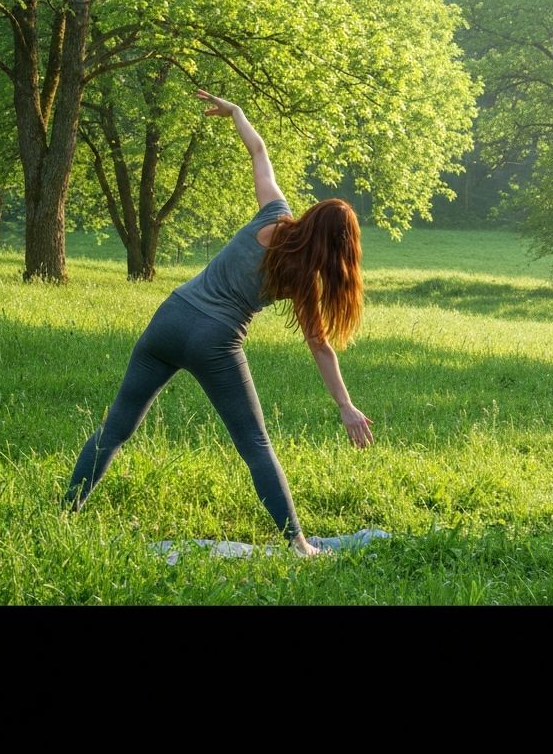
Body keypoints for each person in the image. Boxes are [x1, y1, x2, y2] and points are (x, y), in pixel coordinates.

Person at [64, 89, 374, 558]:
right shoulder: (306, 281)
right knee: (253, 443)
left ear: (310, 218)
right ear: (341, 251)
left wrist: (237, 113)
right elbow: (320, 346)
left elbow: (260, 152)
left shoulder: (274, 214)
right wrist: (346, 406)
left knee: (117, 426)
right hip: (215, 340)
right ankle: (297, 543)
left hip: (169, 317)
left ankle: (65, 515)